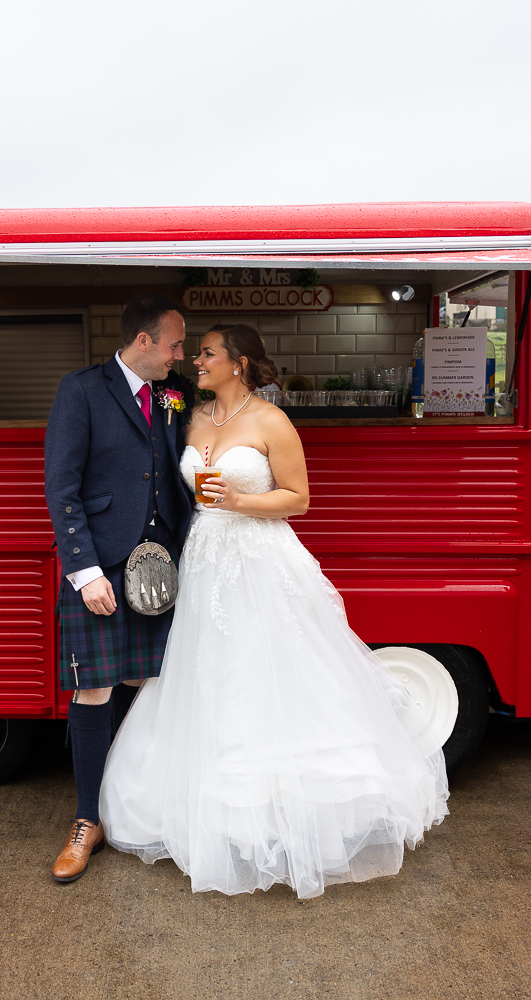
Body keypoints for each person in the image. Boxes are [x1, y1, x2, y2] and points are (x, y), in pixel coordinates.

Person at [98, 323, 450, 899]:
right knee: (211, 672)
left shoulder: (270, 421)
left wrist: (238, 499)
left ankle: (285, 817)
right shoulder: (188, 416)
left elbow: (299, 497)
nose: (196, 360)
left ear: (237, 363)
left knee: (273, 672)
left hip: (261, 557)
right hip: (206, 558)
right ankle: (211, 813)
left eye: (207, 353)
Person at [43, 292, 196, 883]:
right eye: (174, 344)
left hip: (165, 565)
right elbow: (63, 488)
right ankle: (87, 820)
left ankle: (140, 806)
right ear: (143, 342)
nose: (179, 354)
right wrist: (82, 574)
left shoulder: (173, 391)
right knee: (94, 691)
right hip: (103, 566)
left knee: (154, 688)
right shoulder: (81, 391)